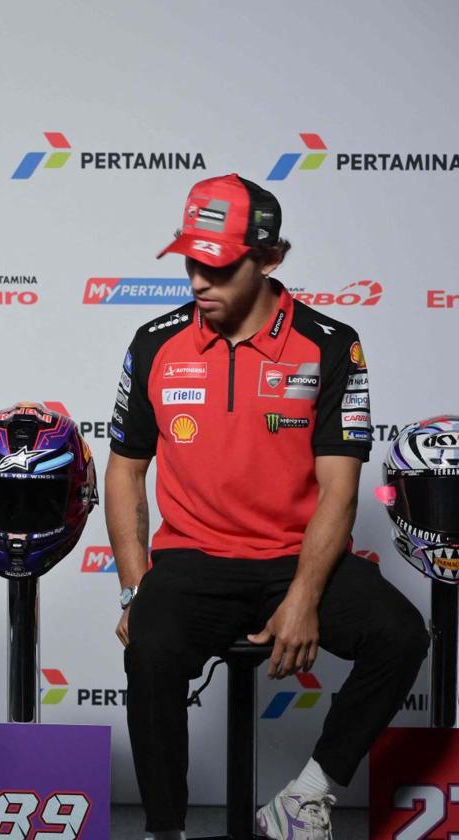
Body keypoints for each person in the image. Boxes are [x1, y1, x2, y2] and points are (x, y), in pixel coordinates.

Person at [104, 173, 427, 840]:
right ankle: (165, 831)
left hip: (296, 556)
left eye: (218, 267)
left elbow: (340, 487)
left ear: (270, 258)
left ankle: (306, 797)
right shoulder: (154, 343)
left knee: (400, 634)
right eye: (192, 261)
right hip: (192, 559)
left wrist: (305, 596)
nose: (199, 282)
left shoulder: (332, 344)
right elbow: (126, 471)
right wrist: (136, 588)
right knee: (151, 650)